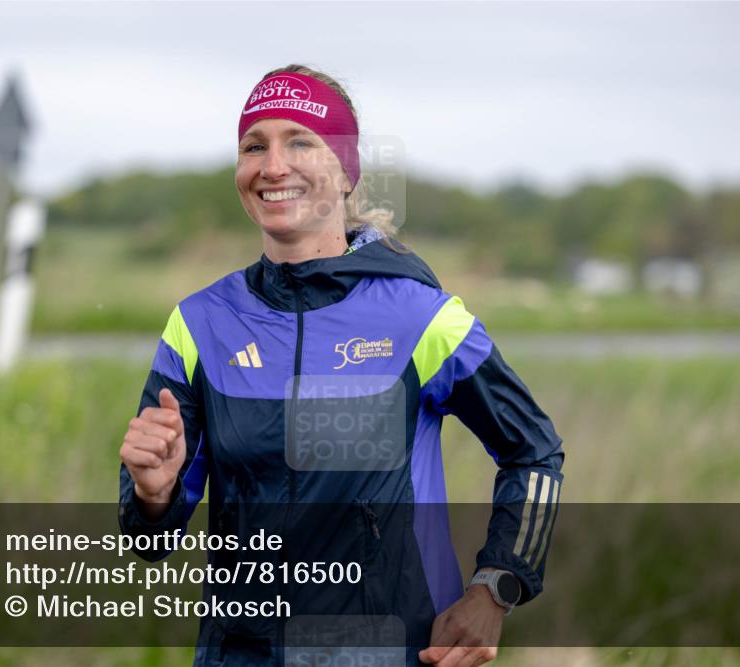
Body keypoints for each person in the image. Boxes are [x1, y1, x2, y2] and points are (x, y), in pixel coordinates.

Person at [119, 64, 565, 667]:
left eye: (300, 140)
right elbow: (150, 538)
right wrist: (153, 494)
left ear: (346, 169)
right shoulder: (199, 324)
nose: (273, 165)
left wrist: (498, 586)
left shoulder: (421, 316)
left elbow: (533, 451)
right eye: (255, 146)